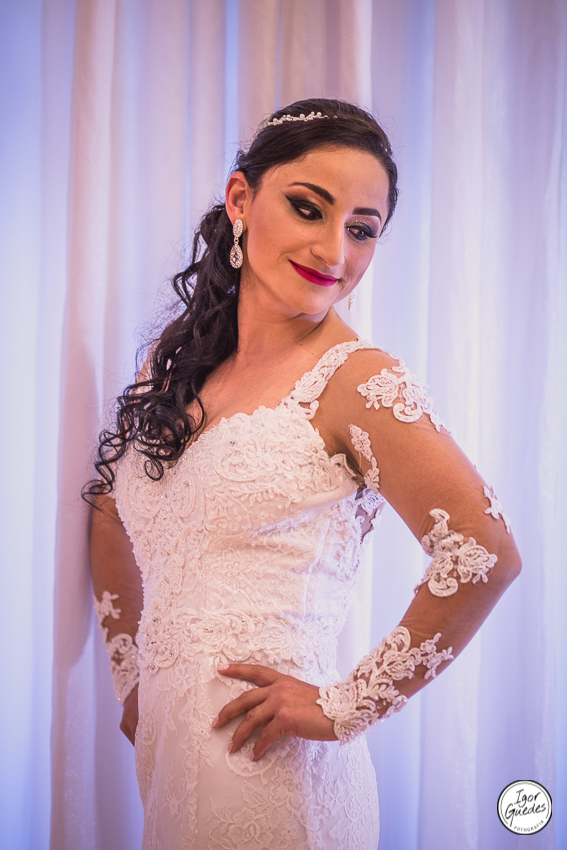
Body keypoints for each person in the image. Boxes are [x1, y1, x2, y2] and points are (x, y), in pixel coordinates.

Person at [84, 98, 521, 849]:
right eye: (307, 208)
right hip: (170, 756)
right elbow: (111, 511)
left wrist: (344, 707)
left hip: (276, 769)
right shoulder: (178, 365)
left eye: (361, 229)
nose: (333, 251)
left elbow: (483, 553)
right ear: (241, 200)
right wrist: (131, 678)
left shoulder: (356, 380)